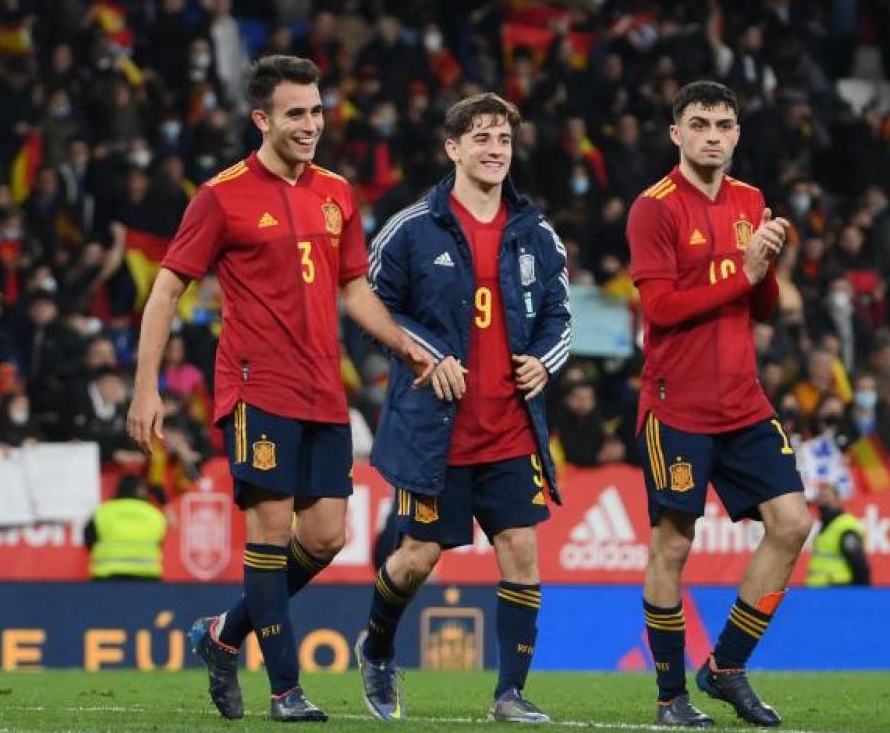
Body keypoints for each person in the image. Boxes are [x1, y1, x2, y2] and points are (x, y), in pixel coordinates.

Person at [126, 55, 433, 722]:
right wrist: (145, 388)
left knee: (325, 536)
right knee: (267, 534)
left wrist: (404, 344)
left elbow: (354, 287)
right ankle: (286, 692)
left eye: (317, 111)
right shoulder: (222, 195)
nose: (311, 124)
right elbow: (167, 289)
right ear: (262, 118)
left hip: (325, 389)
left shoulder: (336, 193)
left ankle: (221, 635)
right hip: (256, 387)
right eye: (296, 112)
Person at [355, 92, 570, 723]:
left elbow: (560, 311)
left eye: (502, 139)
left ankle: (509, 694)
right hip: (437, 433)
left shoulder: (535, 230)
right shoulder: (412, 227)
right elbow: (373, 307)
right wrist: (426, 354)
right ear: (453, 148)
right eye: (480, 138)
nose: (494, 150)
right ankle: (378, 649)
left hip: (509, 427)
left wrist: (543, 361)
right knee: (417, 558)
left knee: (523, 552)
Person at [627, 80, 812, 728]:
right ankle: (670, 696)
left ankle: (726, 667)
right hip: (677, 406)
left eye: (724, 124)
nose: (713, 134)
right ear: (676, 133)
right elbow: (661, 309)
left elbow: (757, 303)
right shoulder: (654, 209)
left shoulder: (750, 200)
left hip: (743, 400)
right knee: (672, 548)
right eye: (700, 123)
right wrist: (743, 270)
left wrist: (766, 264)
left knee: (792, 523)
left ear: (737, 133)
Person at [83, 475, 168, 580]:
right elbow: (159, 542)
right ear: (140, 490)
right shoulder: (154, 514)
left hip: (107, 580)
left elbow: (89, 540)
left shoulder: (103, 512)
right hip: (147, 579)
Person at [805, 482, 870, 586]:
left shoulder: (845, 526)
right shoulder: (826, 525)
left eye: (827, 497)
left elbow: (859, 564)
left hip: (838, 588)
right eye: (820, 498)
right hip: (820, 590)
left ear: (838, 500)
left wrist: (862, 596)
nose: (823, 502)